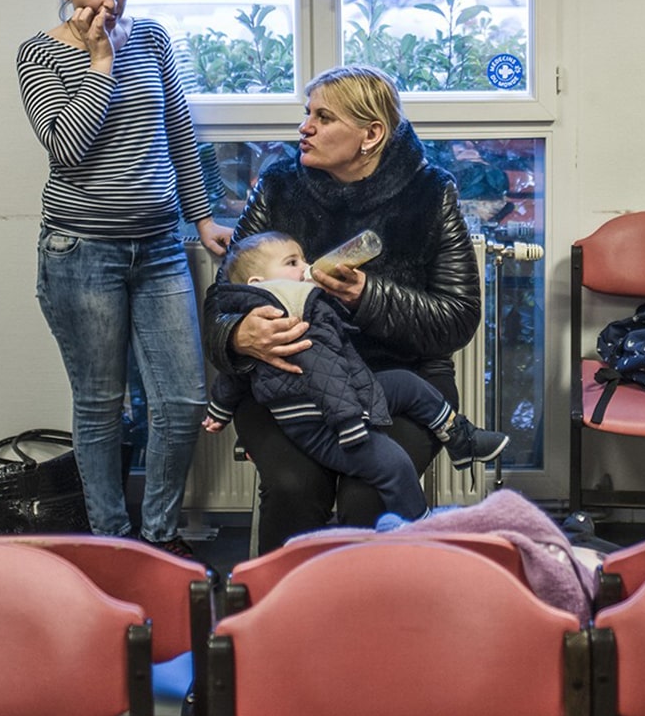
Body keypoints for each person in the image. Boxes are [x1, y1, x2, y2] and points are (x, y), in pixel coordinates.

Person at [203, 64, 483, 553]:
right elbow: (219, 306)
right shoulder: (278, 187)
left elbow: (457, 318)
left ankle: (372, 615)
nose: (304, 128)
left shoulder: (431, 193)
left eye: (323, 118)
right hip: (284, 380)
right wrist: (238, 335)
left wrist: (367, 296)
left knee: (370, 494)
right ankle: (279, 615)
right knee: (295, 488)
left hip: (399, 382)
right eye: (307, 114)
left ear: (371, 134)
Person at [17, 0, 231, 555]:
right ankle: (112, 541)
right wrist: (100, 64)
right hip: (82, 254)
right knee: (102, 405)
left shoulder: (155, 40)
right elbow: (68, 146)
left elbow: (178, 134)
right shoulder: (41, 54)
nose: (109, 3)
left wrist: (201, 216)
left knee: (183, 399)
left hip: (161, 247)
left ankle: (159, 540)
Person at [203, 231, 507, 520]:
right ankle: (419, 523)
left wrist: (365, 298)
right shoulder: (269, 321)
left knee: (407, 383)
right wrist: (350, 422)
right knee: (392, 463)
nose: (307, 267)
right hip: (321, 421)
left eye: (303, 259)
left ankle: (459, 437)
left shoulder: (307, 305)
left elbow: (337, 358)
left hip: (349, 392)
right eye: (293, 263)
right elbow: (249, 374)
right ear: (259, 284)